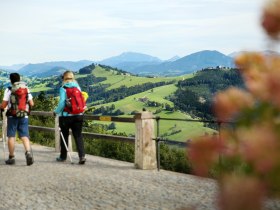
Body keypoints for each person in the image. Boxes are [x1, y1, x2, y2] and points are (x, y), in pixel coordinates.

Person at [0, 73, 34, 166]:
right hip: (24, 115)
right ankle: (28, 153)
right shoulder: (26, 89)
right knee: (24, 136)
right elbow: (32, 103)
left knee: (11, 136)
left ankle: (11, 157)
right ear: (19, 79)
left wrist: (1, 107)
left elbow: (4, 105)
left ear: (11, 80)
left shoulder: (9, 89)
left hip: (12, 116)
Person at [54, 71, 86, 164]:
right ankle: (82, 156)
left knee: (64, 135)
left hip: (66, 117)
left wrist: (56, 112)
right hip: (79, 115)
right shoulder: (77, 87)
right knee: (78, 136)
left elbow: (62, 103)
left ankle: (63, 156)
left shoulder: (63, 88)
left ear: (64, 78)